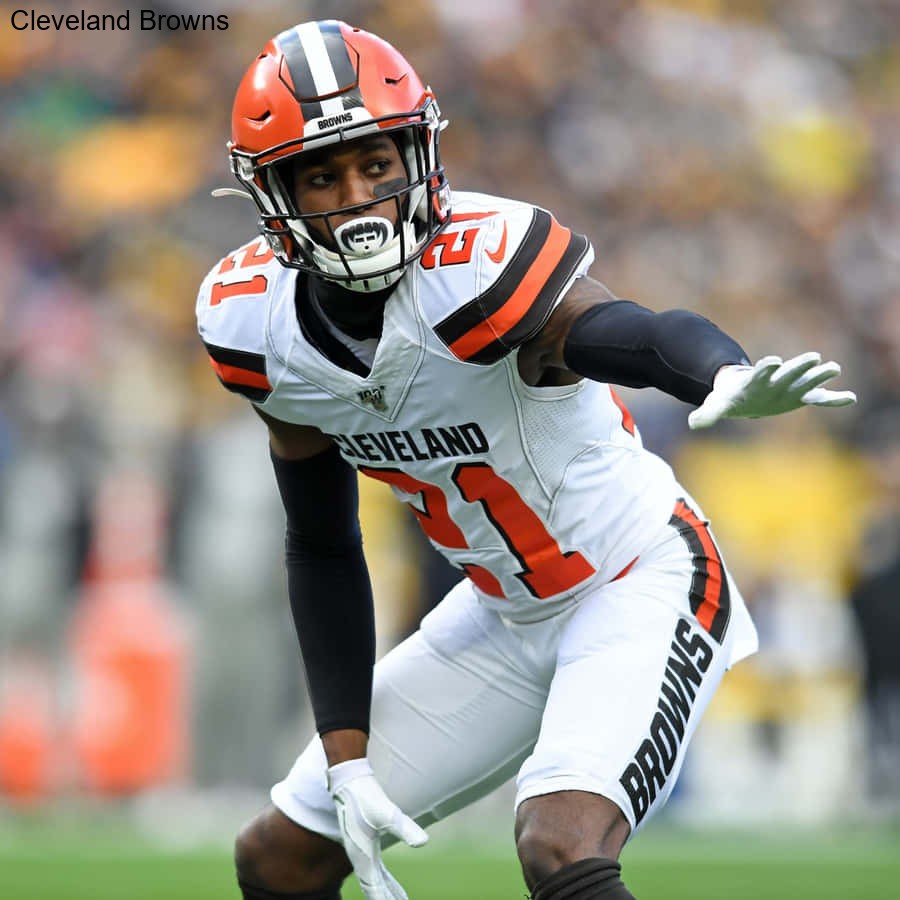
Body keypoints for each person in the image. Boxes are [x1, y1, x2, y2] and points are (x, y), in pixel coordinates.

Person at [196, 20, 856, 900]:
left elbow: (626, 331)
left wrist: (717, 370)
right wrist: (348, 760)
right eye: (321, 174)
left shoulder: (480, 269)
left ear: (418, 158)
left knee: (558, 842)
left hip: (640, 576)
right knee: (278, 859)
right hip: (504, 617)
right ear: (272, 194)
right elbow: (322, 541)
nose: (357, 195)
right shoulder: (254, 326)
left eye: (376, 164)